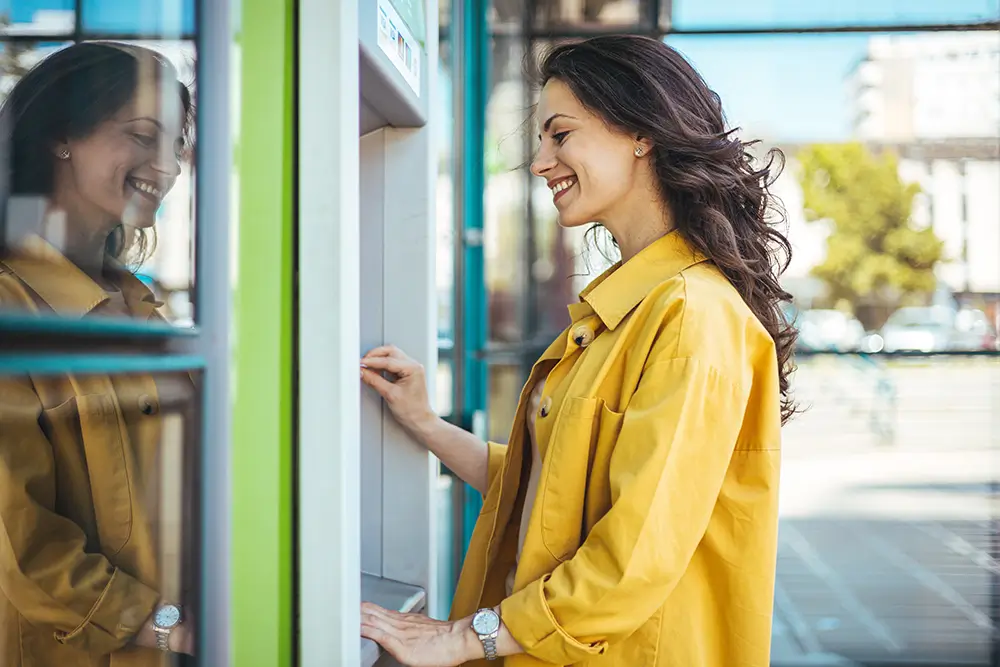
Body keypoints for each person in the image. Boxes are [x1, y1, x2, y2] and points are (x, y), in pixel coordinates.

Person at [360, 35, 796, 667]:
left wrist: (461, 637)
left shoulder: (691, 316)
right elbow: (551, 491)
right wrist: (426, 423)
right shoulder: (626, 309)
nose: (539, 162)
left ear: (641, 133)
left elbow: (635, 553)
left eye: (559, 135)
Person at [0, 42, 196, 666]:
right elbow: (16, 536)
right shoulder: (12, 308)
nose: (165, 166)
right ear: (62, 135)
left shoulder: (141, 306)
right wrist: (166, 625)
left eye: (175, 146)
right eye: (142, 136)